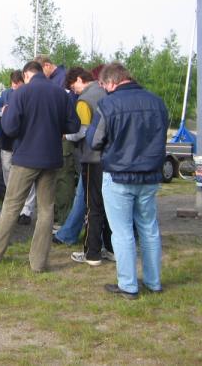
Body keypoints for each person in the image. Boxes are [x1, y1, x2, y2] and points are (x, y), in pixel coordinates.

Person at [0, 61, 80, 271]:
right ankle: (39, 263)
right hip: (51, 158)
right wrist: (55, 126)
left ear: (26, 75)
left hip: (26, 158)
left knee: (11, 207)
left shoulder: (21, 93)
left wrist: (8, 112)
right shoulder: (61, 93)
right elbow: (74, 125)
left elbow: (9, 128)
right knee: (46, 210)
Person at [87, 62, 168, 299]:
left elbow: (95, 140)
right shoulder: (157, 102)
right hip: (149, 175)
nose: (104, 90)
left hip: (119, 175)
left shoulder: (108, 105)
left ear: (111, 82)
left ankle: (128, 284)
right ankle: (153, 281)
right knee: (149, 229)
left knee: (122, 232)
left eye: (104, 85)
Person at [64, 67, 113, 266]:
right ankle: (111, 248)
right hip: (111, 158)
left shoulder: (84, 100)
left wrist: (65, 135)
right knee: (110, 206)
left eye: (72, 86)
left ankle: (91, 252)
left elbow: (80, 131)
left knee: (93, 206)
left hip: (92, 158)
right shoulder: (107, 92)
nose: (73, 91)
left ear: (79, 79)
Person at [35, 55, 76, 226]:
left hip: (64, 136)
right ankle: (57, 216)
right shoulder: (54, 80)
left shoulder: (62, 80)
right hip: (54, 136)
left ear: (47, 65)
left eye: (40, 71)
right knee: (55, 178)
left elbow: (68, 111)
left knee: (63, 178)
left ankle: (64, 219)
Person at [0, 70, 36, 225]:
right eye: (13, 85)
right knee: (8, 173)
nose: (15, 88)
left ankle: (26, 210)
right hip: (7, 141)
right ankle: (14, 208)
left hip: (23, 142)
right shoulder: (5, 94)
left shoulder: (30, 94)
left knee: (27, 176)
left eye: (18, 85)